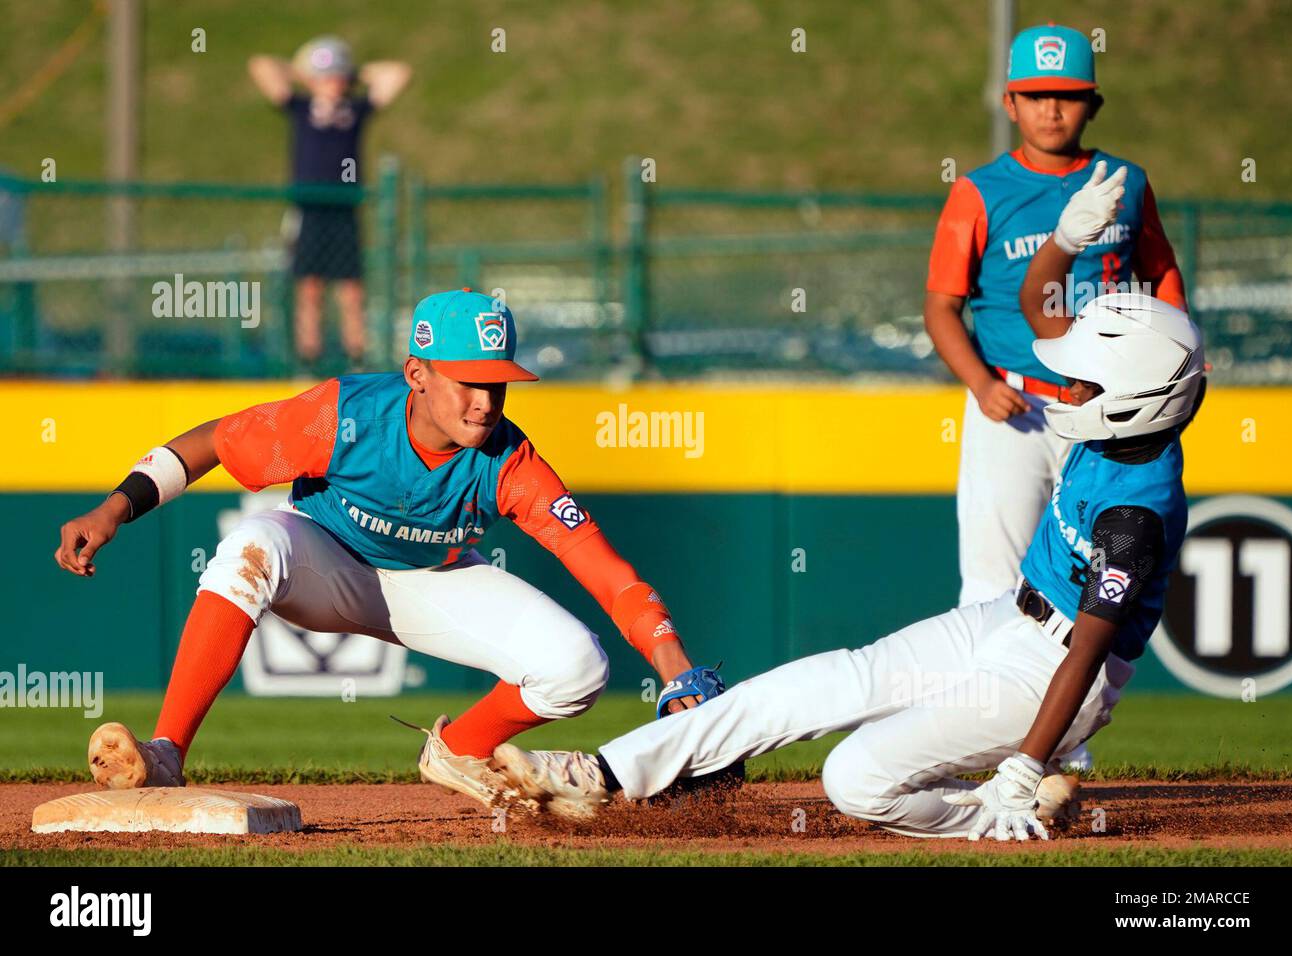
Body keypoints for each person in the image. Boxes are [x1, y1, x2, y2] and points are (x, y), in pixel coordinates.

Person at [489, 190, 1206, 839]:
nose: (1066, 388)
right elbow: (1040, 310)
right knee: (830, 679)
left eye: (1083, 383)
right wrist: (1065, 244)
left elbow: (1086, 649)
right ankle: (605, 773)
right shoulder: (1120, 419)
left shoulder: (1134, 514)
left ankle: (994, 812)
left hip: (1051, 675)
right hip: (1005, 618)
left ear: (1134, 397)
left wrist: (1024, 763)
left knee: (855, 778)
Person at [54, 289, 722, 808]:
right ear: (417, 373)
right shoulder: (343, 414)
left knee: (578, 666)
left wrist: (677, 669)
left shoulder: (510, 460)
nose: (487, 400)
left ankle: (460, 749)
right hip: (324, 560)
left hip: (435, 580)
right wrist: (114, 509)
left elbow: (605, 572)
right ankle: (166, 753)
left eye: (498, 382)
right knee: (250, 545)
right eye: (468, 379)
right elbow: (213, 443)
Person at [922, 24, 1186, 771]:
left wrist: (1174, 351)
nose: (1051, 109)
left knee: (1089, 590)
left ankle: (1059, 748)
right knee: (992, 582)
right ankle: (975, 738)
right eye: (1036, 95)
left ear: (1092, 103)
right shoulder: (979, 189)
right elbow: (941, 304)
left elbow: (1163, 277)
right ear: (1010, 101)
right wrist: (978, 383)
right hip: (1013, 402)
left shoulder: (1123, 182)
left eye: (1067, 95)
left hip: (1103, 410)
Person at [248, 36, 411, 371]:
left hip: (344, 207)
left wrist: (353, 72)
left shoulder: (354, 111)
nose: (332, 82)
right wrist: (303, 71)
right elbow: (260, 65)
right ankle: (309, 357)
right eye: (326, 76)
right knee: (309, 285)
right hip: (309, 207)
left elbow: (399, 73)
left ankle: (357, 357)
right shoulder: (301, 107)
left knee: (351, 287)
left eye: (337, 76)